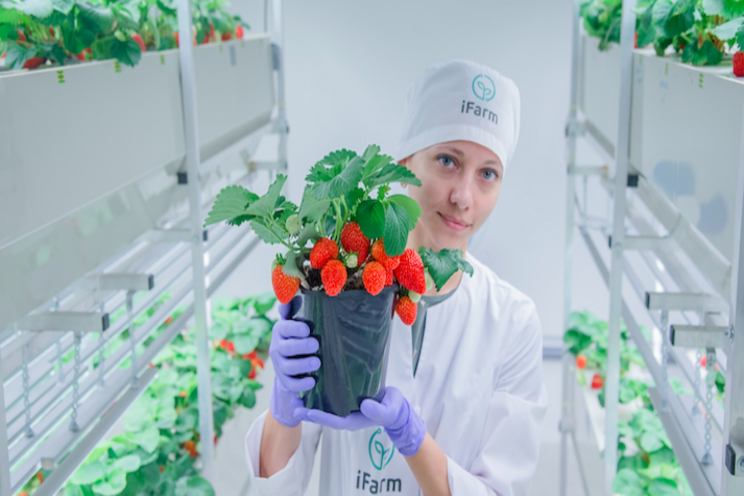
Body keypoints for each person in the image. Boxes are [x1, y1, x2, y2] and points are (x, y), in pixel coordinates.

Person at [244, 59, 548, 496]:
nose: (463, 197)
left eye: (487, 174)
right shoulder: (338, 289)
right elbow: (273, 487)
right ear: (406, 159)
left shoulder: (513, 323)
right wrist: (284, 409)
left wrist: (412, 438)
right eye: (447, 160)